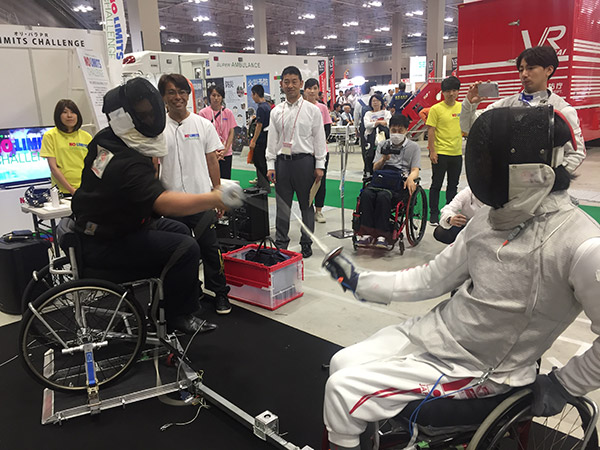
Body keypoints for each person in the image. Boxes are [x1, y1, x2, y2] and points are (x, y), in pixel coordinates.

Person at [322, 106, 600, 450]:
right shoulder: (489, 219)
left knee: (343, 392)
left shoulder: (582, 244)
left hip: (482, 369)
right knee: (341, 363)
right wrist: (361, 281)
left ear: (532, 173)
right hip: (438, 334)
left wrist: (566, 383)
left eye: (492, 163)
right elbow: (431, 279)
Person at [71, 77, 243, 335]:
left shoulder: (106, 139)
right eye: (144, 114)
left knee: (183, 234)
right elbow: (162, 202)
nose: (150, 117)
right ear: (126, 117)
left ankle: (172, 300)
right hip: (107, 241)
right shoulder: (126, 162)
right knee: (186, 247)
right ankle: (176, 316)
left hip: (110, 226)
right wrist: (215, 198)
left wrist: (214, 189)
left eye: (150, 112)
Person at [157, 73, 234, 315]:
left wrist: (217, 192)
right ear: (163, 97)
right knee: (178, 252)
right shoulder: (157, 129)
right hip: (171, 204)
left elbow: (212, 161)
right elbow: (153, 165)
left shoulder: (202, 125)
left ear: (188, 95)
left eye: (182, 92)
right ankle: (191, 291)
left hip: (201, 200)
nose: (177, 97)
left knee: (210, 249)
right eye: (171, 92)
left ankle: (220, 292)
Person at [460, 46, 585, 174]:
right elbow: (468, 127)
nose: (524, 74)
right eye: (521, 70)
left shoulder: (562, 110)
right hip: (508, 182)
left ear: (548, 70)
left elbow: (576, 153)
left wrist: (552, 178)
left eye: (530, 68)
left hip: (546, 185)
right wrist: (470, 104)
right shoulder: (505, 105)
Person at [266, 66, 327, 258]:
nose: (290, 85)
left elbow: (319, 139)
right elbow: (272, 141)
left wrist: (320, 165)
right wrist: (270, 165)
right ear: (282, 84)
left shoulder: (312, 110)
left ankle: (306, 242)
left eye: (294, 81)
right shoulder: (276, 111)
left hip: (304, 163)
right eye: (286, 82)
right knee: (282, 205)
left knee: (306, 205)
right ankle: (281, 242)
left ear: (301, 83)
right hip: (283, 164)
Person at [355, 114, 420, 248]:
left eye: (400, 130)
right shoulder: (383, 144)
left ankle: (382, 235)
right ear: (389, 129)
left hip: (399, 181)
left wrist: (410, 178)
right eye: (393, 130)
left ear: (406, 130)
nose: (396, 133)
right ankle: (366, 233)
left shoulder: (414, 147)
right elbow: (375, 168)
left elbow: (415, 169)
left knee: (383, 197)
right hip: (381, 179)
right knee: (366, 194)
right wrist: (384, 159)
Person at [426, 76, 463, 225]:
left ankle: (449, 213)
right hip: (440, 153)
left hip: (456, 153)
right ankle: (433, 214)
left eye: (454, 90)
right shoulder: (436, 109)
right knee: (436, 184)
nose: (451, 94)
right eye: (448, 91)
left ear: (458, 91)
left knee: (453, 186)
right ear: (443, 92)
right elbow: (431, 131)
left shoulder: (462, 107)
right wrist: (432, 151)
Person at [40, 99, 92, 195]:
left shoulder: (86, 136)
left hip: (86, 188)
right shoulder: (50, 136)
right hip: (63, 191)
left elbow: (92, 164)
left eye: (73, 112)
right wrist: (72, 190)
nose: (69, 115)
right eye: (65, 112)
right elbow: (53, 167)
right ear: (58, 116)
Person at [304, 78, 332, 224]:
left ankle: (319, 211)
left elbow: (327, 129)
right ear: (304, 90)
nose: (312, 91)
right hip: (305, 152)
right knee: (305, 182)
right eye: (309, 88)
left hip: (321, 152)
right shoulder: (301, 107)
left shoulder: (322, 108)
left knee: (320, 181)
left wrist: (319, 146)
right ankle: (307, 209)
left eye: (315, 88)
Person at [199, 85, 236, 179]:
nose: (216, 98)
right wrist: (214, 152)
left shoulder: (228, 112)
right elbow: (202, 134)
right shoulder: (203, 113)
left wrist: (225, 150)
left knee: (226, 179)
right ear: (209, 96)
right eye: (213, 95)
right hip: (210, 153)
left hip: (226, 153)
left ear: (222, 97)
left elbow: (231, 132)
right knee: (211, 179)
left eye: (219, 95)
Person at [249, 84, 271, 192]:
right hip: (266, 138)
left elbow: (259, 126)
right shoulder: (267, 106)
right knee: (262, 161)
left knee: (259, 162)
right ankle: (262, 184)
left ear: (256, 94)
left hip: (261, 139)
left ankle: (264, 185)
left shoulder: (261, 108)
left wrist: (253, 141)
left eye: (252, 95)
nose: (252, 97)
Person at [363, 94, 392, 176]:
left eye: (377, 101)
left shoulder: (386, 113)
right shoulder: (368, 114)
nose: (375, 103)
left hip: (384, 138)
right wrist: (379, 122)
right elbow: (367, 125)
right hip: (371, 139)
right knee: (370, 156)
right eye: (373, 101)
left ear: (381, 102)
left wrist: (374, 123)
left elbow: (388, 123)